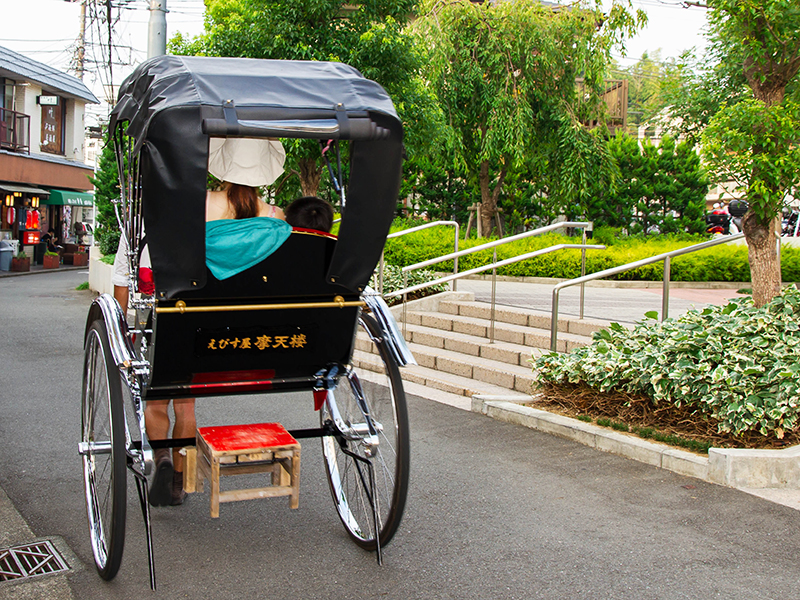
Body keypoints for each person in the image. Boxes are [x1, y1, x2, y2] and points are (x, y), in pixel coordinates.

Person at [113, 135, 287, 506]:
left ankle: (162, 460)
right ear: (264, 170)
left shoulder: (196, 205)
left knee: (158, 401)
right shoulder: (275, 218)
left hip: (178, 320)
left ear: (221, 165)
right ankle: (178, 476)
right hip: (235, 331)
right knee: (187, 405)